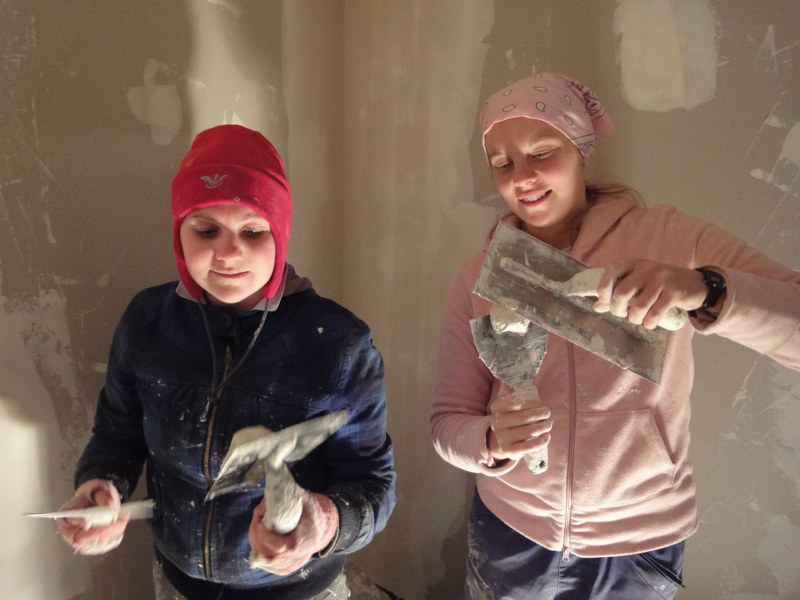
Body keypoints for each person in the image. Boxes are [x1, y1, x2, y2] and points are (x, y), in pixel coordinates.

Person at [430, 72, 800, 599]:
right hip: (511, 531)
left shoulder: (670, 239)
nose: (522, 177)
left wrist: (704, 289)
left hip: (638, 545)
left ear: (580, 148)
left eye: (542, 152)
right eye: (502, 163)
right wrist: (490, 441)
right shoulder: (479, 275)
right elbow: (448, 421)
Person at [57, 124, 396, 599]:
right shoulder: (147, 321)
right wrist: (100, 484)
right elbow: (117, 434)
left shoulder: (338, 345)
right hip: (178, 581)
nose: (229, 251)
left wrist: (324, 522)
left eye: (252, 231)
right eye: (207, 229)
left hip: (296, 590)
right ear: (180, 234)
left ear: (280, 233)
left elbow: (373, 486)